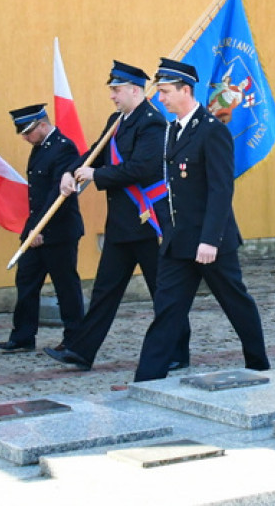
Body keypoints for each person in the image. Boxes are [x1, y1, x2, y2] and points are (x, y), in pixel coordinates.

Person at [44, 61, 188, 370]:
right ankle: (81, 351)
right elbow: (95, 153)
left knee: (163, 291)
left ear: (135, 90)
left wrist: (96, 175)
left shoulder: (152, 123)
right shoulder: (117, 120)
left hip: (147, 222)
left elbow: (141, 168)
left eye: (116, 90)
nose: (112, 96)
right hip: (122, 224)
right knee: (104, 291)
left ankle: (178, 353)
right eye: (112, 90)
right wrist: (71, 171)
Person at [134, 59, 269, 382]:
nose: (161, 98)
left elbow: (220, 190)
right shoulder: (172, 130)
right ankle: (146, 380)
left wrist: (210, 240)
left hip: (210, 242)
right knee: (167, 311)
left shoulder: (212, 130)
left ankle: (259, 365)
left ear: (185, 91)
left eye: (166, 92)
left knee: (236, 303)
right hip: (179, 240)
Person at [0, 104, 84, 353]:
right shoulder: (40, 147)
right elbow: (36, 194)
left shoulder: (64, 148)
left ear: (42, 125)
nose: (24, 138)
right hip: (36, 227)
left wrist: (40, 229)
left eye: (27, 132)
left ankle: (74, 338)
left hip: (59, 231)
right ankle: (23, 336)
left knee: (65, 286)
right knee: (26, 281)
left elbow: (58, 195)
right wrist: (33, 230)